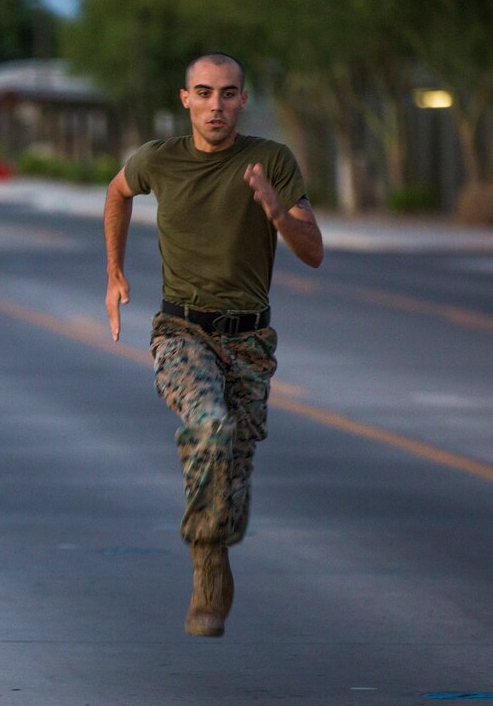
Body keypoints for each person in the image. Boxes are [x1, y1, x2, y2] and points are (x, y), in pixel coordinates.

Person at [102, 52, 324, 638]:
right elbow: (118, 192)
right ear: (186, 100)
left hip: (250, 340)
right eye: (204, 93)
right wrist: (114, 272)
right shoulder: (160, 160)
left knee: (235, 472)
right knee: (210, 427)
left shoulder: (270, 161)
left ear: (242, 100)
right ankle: (206, 561)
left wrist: (278, 212)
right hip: (181, 332)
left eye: (228, 94)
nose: (216, 106)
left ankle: (219, 543)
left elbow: (314, 250)